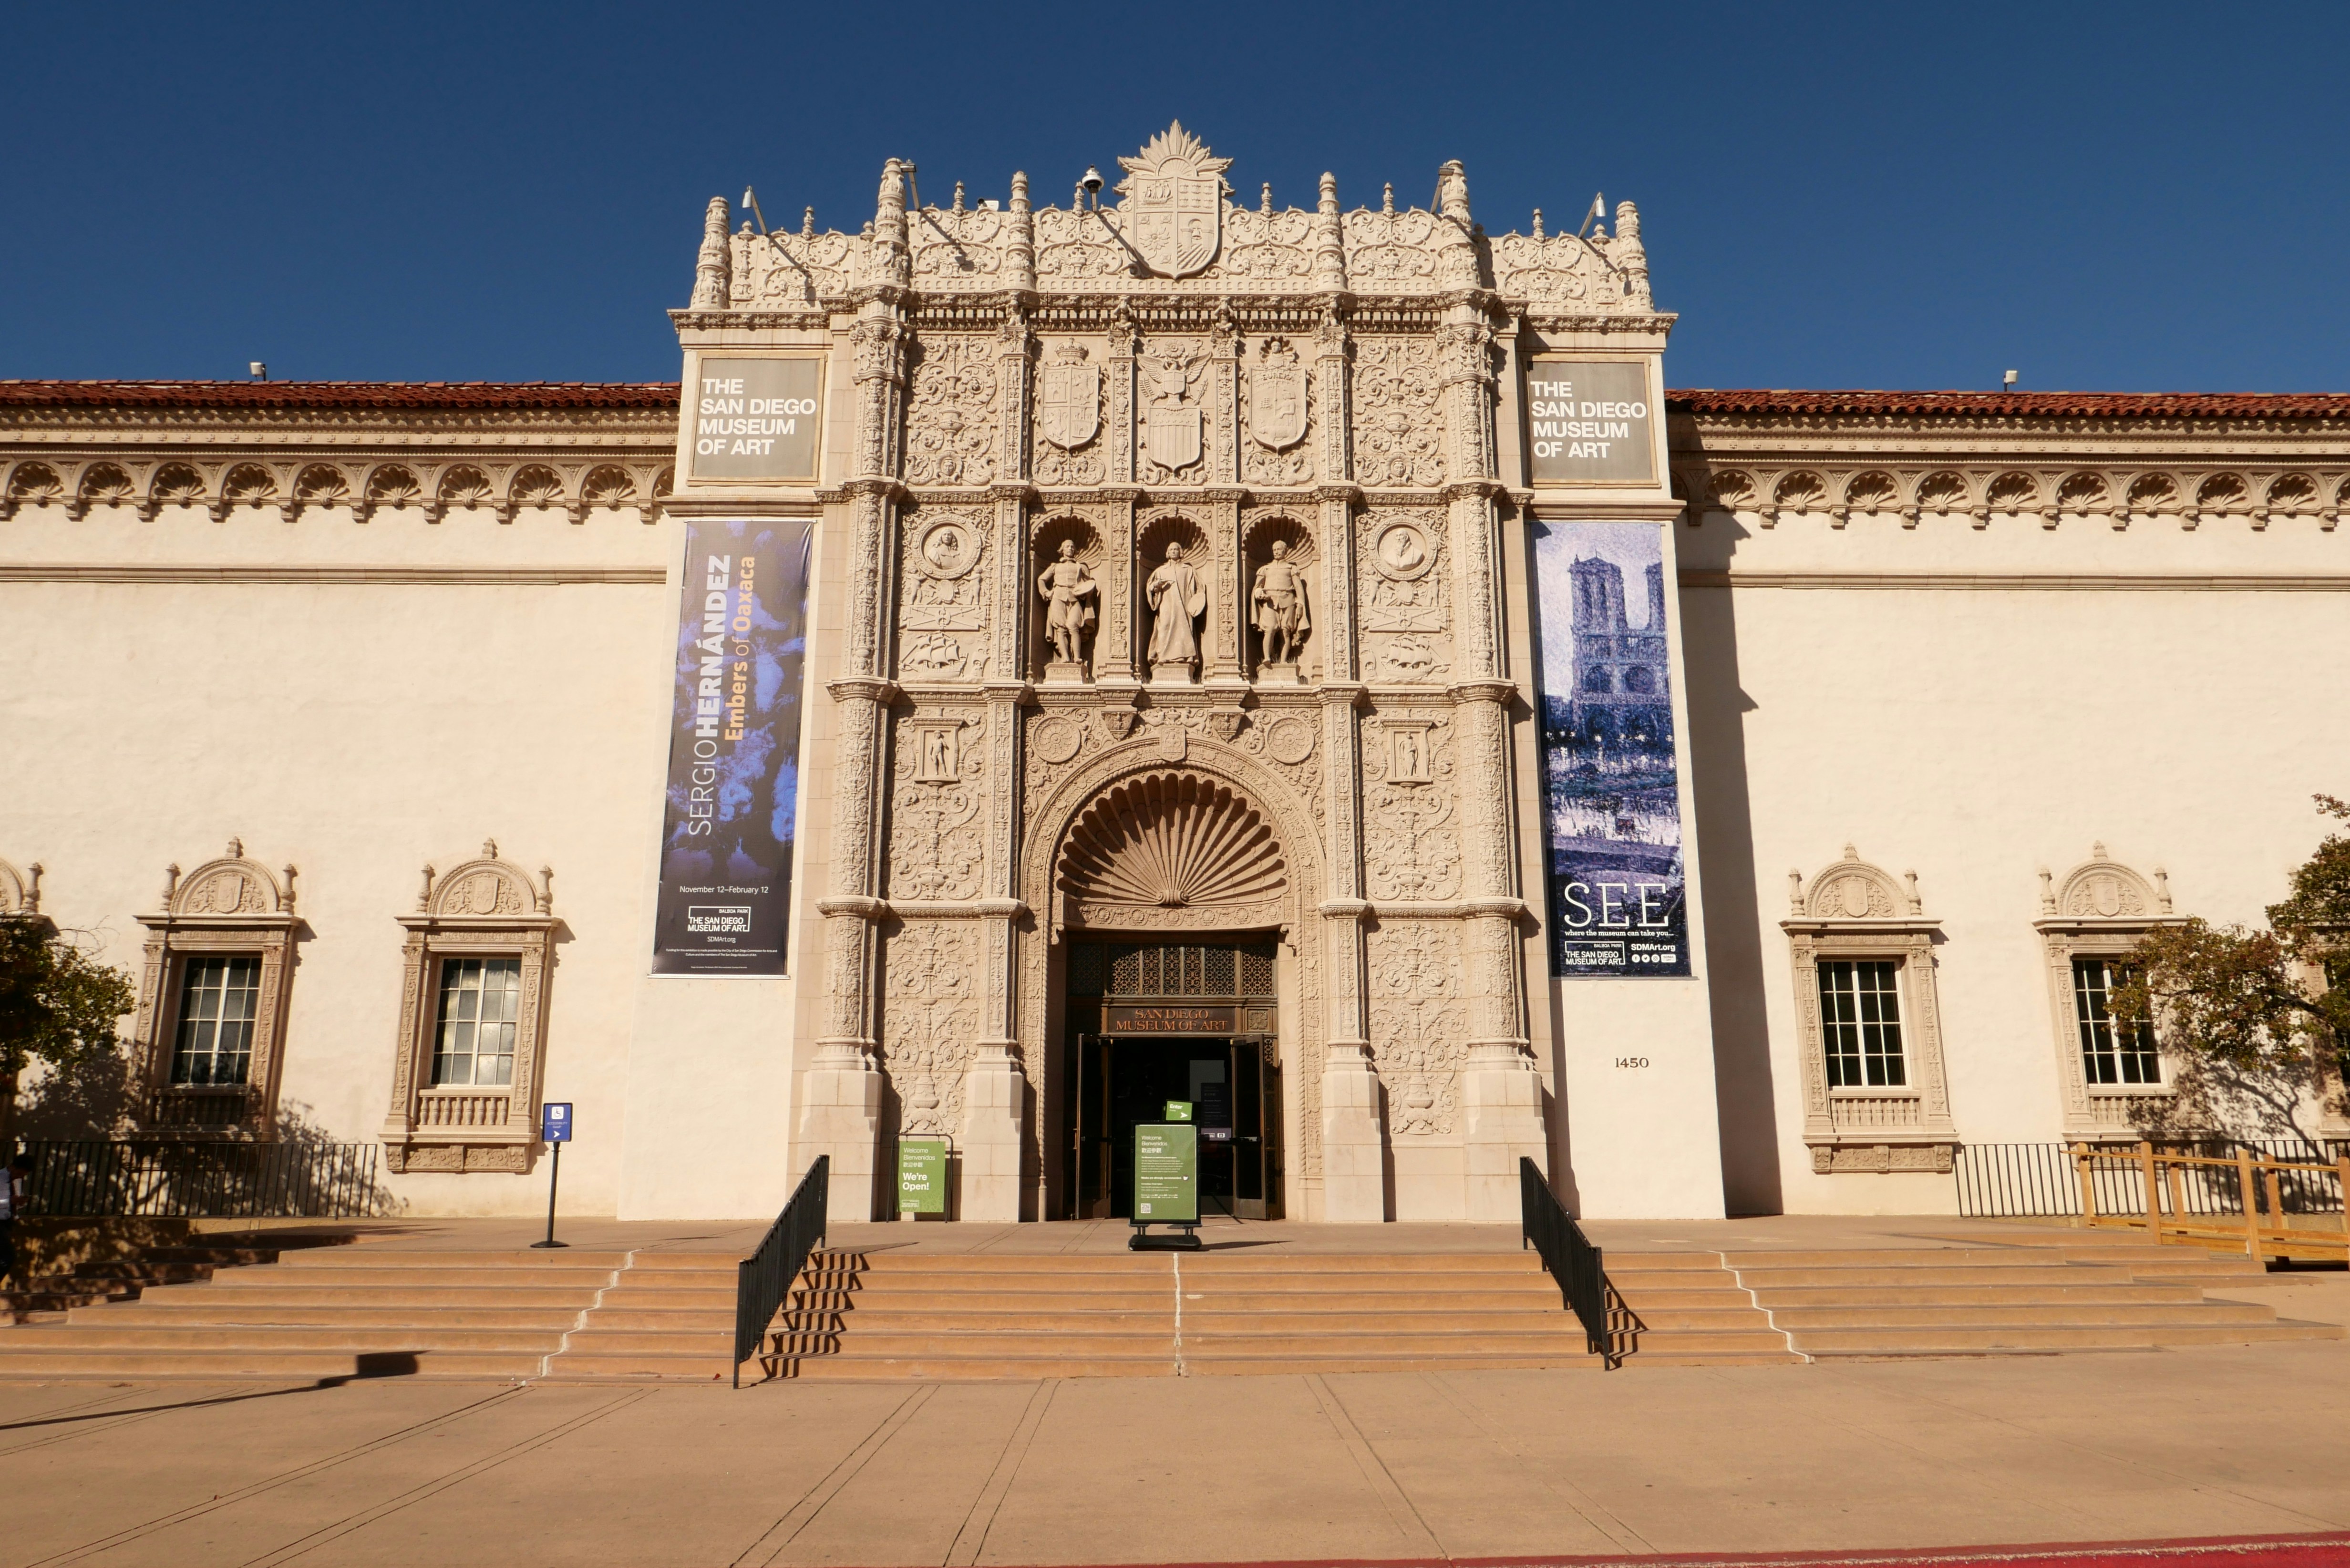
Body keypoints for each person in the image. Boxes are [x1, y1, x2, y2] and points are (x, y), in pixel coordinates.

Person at [1145, 542, 1207, 674]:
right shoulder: (1161, 571)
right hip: (1166, 605)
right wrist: (1156, 585)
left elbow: (1199, 589)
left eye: (1176, 549)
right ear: (1168, 553)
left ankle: (1185, 657)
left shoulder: (1188, 570)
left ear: (1180, 552)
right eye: (1171, 549)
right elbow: (1150, 588)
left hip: (1184, 606)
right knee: (1164, 627)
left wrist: (1196, 603)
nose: (1173, 552)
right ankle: (1163, 657)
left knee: (1183, 630)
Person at [0, 1152, 29, 1287]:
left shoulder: (16, 1181)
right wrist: (8, 1201)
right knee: (9, 1255)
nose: (20, 1177)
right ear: (13, 1167)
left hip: (7, 1223)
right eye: (19, 1174)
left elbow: (15, 1199)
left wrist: (19, 1203)